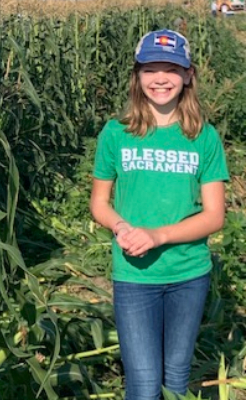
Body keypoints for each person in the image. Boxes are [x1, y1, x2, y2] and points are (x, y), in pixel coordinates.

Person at [90, 29, 229, 400]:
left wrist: (159, 235)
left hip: (189, 274)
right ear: (137, 76)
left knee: (175, 380)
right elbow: (99, 202)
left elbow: (215, 216)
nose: (161, 79)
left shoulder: (202, 136)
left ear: (188, 76)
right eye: (151, 69)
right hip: (134, 278)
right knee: (145, 384)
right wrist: (122, 226)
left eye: (172, 68)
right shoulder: (116, 134)